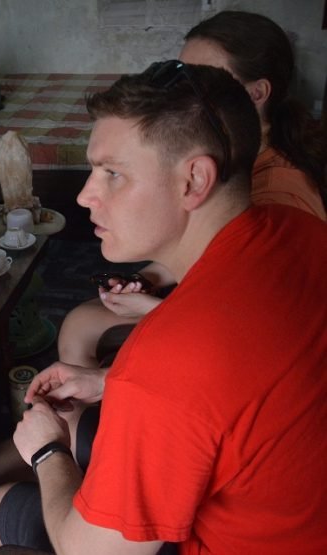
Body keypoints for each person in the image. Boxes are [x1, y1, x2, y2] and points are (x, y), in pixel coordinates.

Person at [0, 62, 327, 553]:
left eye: (112, 174)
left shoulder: (170, 362)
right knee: (78, 417)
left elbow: (90, 550)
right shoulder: (294, 228)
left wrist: (48, 454)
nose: (84, 195)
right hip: (294, 501)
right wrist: (108, 382)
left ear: (194, 180)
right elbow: (233, 393)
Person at [58, 9, 327, 369]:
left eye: (207, 79)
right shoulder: (244, 155)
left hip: (238, 328)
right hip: (210, 304)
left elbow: (265, 319)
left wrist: (161, 310)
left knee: (81, 325)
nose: (183, 94)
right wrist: (148, 277)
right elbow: (205, 248)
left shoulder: (279, 194)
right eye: (183, 74)